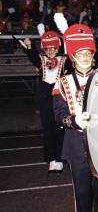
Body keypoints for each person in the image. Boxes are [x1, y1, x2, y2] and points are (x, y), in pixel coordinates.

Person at [52, 20, 98, 212]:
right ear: (72, 56)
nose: (85, 56)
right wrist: (73, 120)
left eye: (88, 52)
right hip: (76, 145)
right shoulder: (63, 82)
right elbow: (58, 114)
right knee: (82, 194)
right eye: (80, 53)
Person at [19, 24, 68, 173]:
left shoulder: (63, 60)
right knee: (47, 130)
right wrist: (28, 46)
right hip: (45, 100)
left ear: (58, 47)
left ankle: (60, 159)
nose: (51, 51)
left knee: (60, 129)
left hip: (60, 99)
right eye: (48, 49)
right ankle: (51, 159)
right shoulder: (40, 60)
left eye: (53, 48)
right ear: (44, 49)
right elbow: (33, 56)